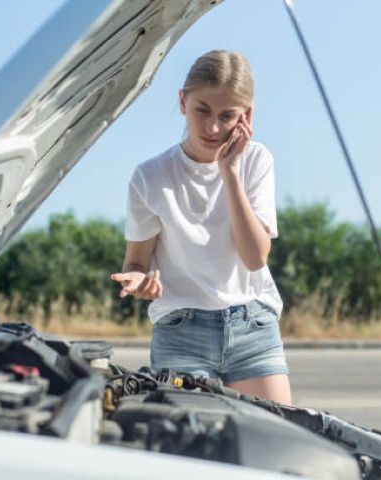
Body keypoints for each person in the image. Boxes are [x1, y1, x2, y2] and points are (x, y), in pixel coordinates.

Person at [110, 50, 291, 405]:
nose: (212, 127)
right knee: (192, 451)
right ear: (182, 101)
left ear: (247, 116)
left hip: (252, 326)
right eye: (202, 110)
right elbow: (136, 262)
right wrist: (137, 279)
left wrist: (230, 173)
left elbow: (255, 258)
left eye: (227, 116)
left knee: (280, 444)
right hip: (181, 332)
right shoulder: (150, 176)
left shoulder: (257, 161)